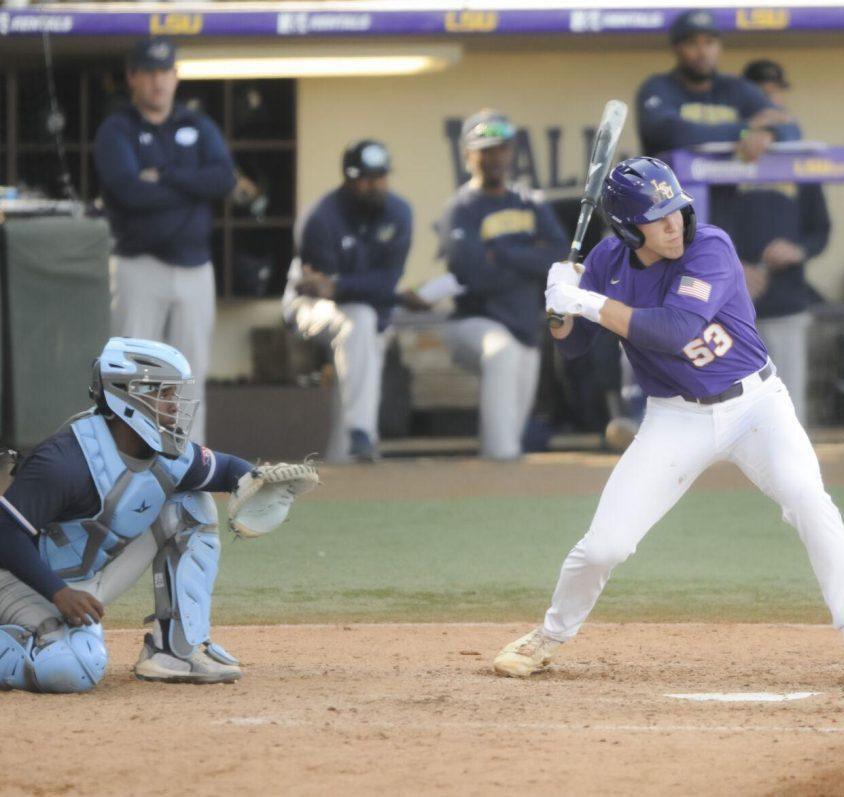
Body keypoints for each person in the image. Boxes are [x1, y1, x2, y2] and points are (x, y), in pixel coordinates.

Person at [492, 158, 844, 685]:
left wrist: (587, 301)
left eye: (677, 211)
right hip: (674, 417)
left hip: (756, 407)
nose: (673, 225)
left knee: (807, 500)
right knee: (605, 545)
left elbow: (673, 330)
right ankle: (548, 635)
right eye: (657, 218)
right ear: (625, 227)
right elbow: (573, 348)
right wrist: (558, 305)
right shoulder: (606, 262)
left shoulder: (711, 246)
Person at [0, 338, 316, 692]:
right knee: (71, 668)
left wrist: (255, 479)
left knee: (190, 506)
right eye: (165, 395)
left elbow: (223, 468)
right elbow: (5, 533)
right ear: (130, 396)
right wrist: (58, 593)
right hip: (17, 581)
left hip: (76, 582)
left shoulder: (163, 450)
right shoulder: (64, 460)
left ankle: (174, 651)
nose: (175, 406)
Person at [93, 38, 236, 444]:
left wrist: (166, 176)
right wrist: (192, 187)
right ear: (133, 77)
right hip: (140, 266)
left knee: (188, 378)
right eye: (149, 73)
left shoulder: (196, 125)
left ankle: (189, 477)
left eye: (165, 73)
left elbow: (223, 179)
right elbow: (128, 192)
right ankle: (130, 474)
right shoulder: (117, 128)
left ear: (176, 76)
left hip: (194, 268)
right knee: (132, 378)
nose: (158, 82)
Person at [437, 110, 568, 460]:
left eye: (500, 149)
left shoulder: (530, 202)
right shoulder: (461, 208)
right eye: (485, 150)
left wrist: (504, 252)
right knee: (502, 352)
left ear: (511, 153)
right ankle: (499, 464)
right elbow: (474, 275)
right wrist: (529, 258)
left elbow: (559, 257)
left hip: (524, 326)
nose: (494, 158)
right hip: (473, 323)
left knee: (514, 424)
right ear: (468, 156)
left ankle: (501, 483)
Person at [283, 139, 413, 463]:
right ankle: (362, 432)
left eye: (380, 177)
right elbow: (319, 288)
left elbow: (386, 282)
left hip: (363, 309)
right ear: (351, 179)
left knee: (363, 333)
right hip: (306, 307)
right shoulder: (321, 217)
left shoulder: (399, 212)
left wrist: (342, 285)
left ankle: (350, 457)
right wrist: (348, 289)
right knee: (360, 321)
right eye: (367, 179)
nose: (375, 185)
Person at [733, 59, 831, 424]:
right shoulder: (724, 153)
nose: (769, 100)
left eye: (775, 92)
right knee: (733, 409)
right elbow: (703, 225)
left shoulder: (799, 156)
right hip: (733, 305)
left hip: (787, 300)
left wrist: (799, 250)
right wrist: (732, 267)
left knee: (789, 413)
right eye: (760, 93)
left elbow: (820, 229)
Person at [636, 9, 790, 162]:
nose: (703, 52)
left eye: (710, 42)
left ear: (719, 47)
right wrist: (746, 128)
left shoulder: (737, 88)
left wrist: (770, 134)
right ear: (676, 48)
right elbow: (671, 133)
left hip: (729, 182)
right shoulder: (658, 87)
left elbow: (789, 125)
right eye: (692, 43)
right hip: (668, 184)